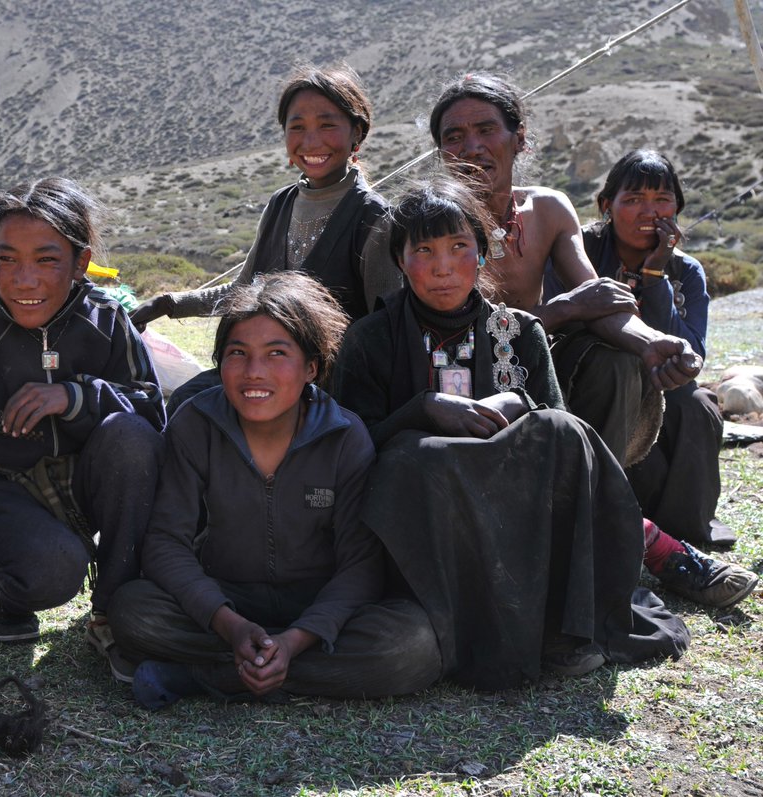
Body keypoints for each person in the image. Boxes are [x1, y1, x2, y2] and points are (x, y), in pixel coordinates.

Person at [332, 181, 703, 690]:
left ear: (483, 253)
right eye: (423, 250)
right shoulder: (369, 339)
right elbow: (352, 443)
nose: (443, 266)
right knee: (412, 458)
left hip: (516, 510)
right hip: (431, 520)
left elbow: (562, 439)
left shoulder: (520, 331)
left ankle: (561, 628)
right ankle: (470, 625)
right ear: (400, 260)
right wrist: (423, 409)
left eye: (459, 247)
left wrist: (516, 401)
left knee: (560, 428)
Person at [108, 272, 441, 709]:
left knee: (410, 644)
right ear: (218, 362)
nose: (254, 372)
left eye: (276, 353)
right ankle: (267, 665)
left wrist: (297, 640)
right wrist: (231, 625)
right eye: (238, 353)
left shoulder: (345, 436)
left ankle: (210, 676)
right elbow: (167, 544)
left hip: (315, 603)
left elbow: (360, 564)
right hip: (226, 599)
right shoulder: (195, 424)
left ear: (311, 368)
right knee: (133, 610)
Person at [0, 177, 164, 682]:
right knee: (51, 572)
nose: (24, 280)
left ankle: (113, 611)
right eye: (7, 259)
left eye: (46, 259)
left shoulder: (107, 320)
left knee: (131, 435)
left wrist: (74, 396)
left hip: (83, 478)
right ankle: (4, 586)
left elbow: (150, 408)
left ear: (80, 263)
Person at [428, 73, 702, 467]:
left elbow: (599, 300)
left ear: (519, 139)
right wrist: (562, 310)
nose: (472, 147)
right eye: (454, 137)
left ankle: (594, 499)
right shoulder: (427, 222)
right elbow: (449, 336)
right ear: (441, 152)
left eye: (487, 129)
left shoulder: (548, 210)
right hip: (455, 370)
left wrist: (650, 343)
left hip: (531, 362)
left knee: (616, 363)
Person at [130, 63, 400, 410]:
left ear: (357, 133)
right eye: (297, 127)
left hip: (333, 393)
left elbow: (385, 329)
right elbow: (242, 292)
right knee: (186, 402)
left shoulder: (374, 217)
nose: (311, 141)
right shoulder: (280, 204)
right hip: (261, 376)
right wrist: (167, 304)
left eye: (327, 125)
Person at [545, 150, 736, 550]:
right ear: (606, 206)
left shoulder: (686, 271)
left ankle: (684, 529)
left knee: (698, 405)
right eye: (632, 200)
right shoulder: (578, 253)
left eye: (662, 200)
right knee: (617, 381)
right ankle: (611, 516)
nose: (648, 212)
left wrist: (654, 274)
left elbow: (691, 353)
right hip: (593, 380)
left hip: (659, 384)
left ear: (678, 208)